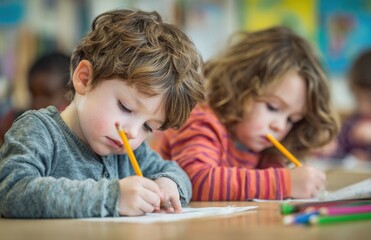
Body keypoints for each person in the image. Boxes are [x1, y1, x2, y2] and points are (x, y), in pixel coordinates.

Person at [0, 9, 205, 218]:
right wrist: (113, 198)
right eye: (125, 107)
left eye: (147, 127)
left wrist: (167, 184)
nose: (133, 133)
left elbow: (178, 174)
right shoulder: (38, 130)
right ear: (85, 79)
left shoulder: (129, 152)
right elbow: (11, 191)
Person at [152, 26, 339, 201]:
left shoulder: (258, 145)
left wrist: (297, 183)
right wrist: (285, 183)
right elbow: (195, 180)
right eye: (273, 107)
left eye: (291, 119)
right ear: (239, 86)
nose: (280, 126)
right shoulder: (201, 120)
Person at [0, 51, 70, 145]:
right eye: (33, 94)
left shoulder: (72, 137)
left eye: (46, 95)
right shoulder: (17, 122)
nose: (37, 103)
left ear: (69, 94)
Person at [323, 49, 371, 161]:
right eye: (358, 98)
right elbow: (341, 152)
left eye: (369, 99)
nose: (363, 107)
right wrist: (329, 148)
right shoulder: (351, 123)